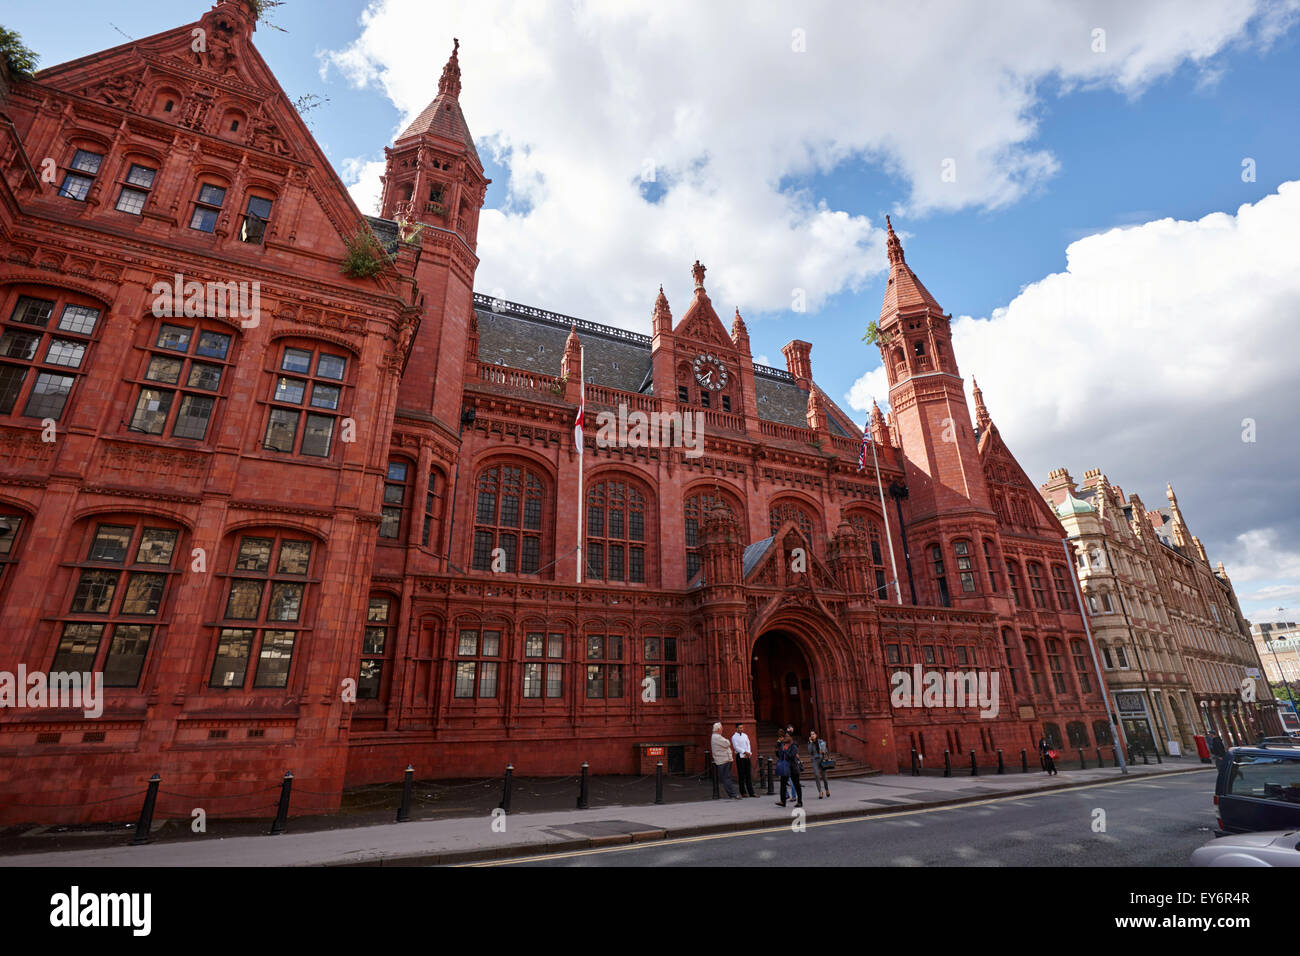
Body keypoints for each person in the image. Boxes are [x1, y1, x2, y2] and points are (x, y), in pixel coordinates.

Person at [710, 721, 740, 799]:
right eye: (721, 728)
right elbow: (727, 743)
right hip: (723, 760)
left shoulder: (716, 736)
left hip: (724, 759)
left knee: (727, 777)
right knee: (727, 778)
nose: (722, 729)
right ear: (718, 729)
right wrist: (727, 741)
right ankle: (732, 794)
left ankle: (732, 794)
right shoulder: (717, 737)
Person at [776, 731, 803, 807]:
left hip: (793, 768)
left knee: (796, 784)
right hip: (785, 768)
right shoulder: (783, 744)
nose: (785, 737)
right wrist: (778, 748)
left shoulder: (794, 746)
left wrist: (785, 750)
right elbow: (780, 755)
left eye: (787, 736)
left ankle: (799, 802)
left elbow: (791, 756)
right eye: (785, 736)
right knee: (783, 784)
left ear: (791, 737)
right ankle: (783, 801)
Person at [731, 722, 756, 797]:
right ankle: (743, 792)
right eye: (740, 728)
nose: (741, 729)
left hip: (747, 756)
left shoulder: (745, 735)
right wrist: (744, 752)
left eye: (742, 728)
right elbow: (736, 747)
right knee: (741, 775)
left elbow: (748, 744)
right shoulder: (734, 737)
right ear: (736, 728)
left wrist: (748, 753)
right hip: (740, 756)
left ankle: (751, 792)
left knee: (748, 774)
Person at [808, 731, 830, 798]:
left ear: (816, 735)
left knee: (824, 777)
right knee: (817, 775)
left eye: (813, 734)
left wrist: (824, 751)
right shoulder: (810, 743)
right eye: (811, 734)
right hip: (815, 761)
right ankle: (820, 792)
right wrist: (811, 743)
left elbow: (826, 750)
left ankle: (827, 789)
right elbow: (809, 751)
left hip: (822, 760)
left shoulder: (821, 742)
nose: (812, 735)